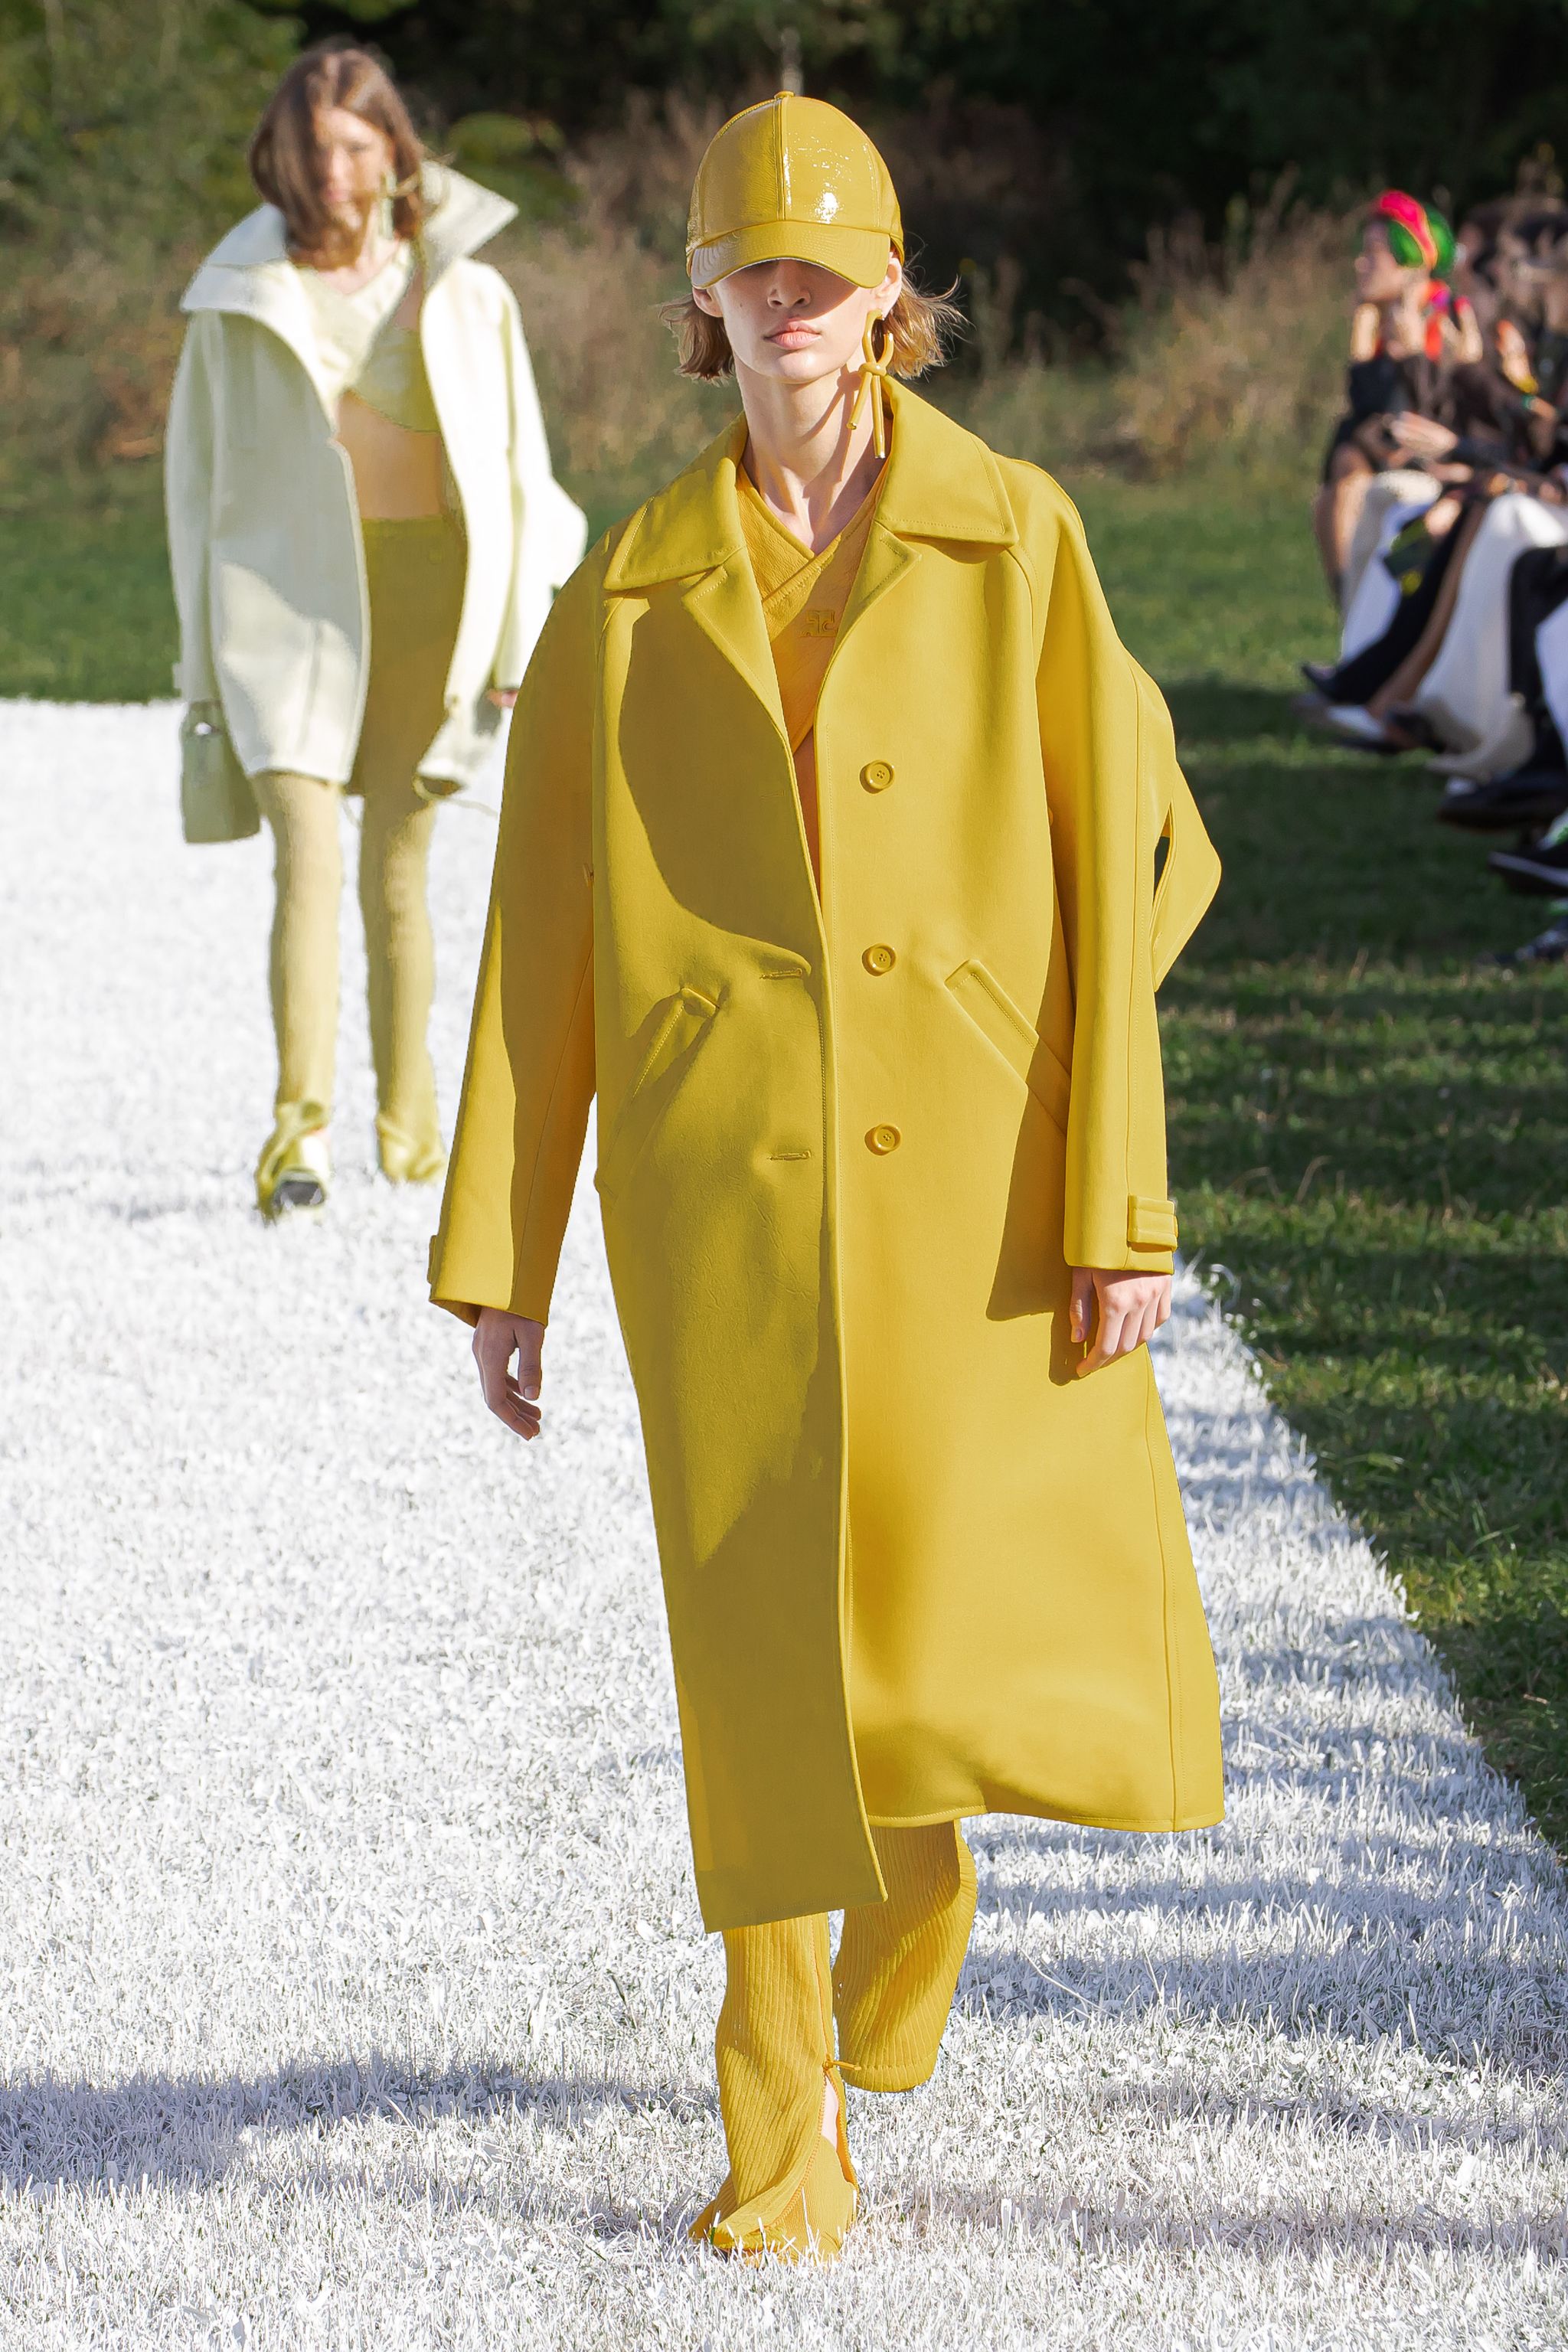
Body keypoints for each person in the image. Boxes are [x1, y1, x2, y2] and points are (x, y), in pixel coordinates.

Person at [428, 93, 1224, 2262]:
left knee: (929, 1627)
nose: (787, 303)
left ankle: (927, 1874)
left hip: (977, 1178)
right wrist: (508, 1255)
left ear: (895, 294)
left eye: (826, 267)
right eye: (745, 268)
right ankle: (777, 2125)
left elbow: (1133, 861)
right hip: (726, 1194)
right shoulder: (626, 590)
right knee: (763, 1648)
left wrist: (1113, 1198)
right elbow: (547, 937)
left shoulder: (1023, 537)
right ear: (698, 299)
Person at [165, 41, 586, 1219]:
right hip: (280, 608)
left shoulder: (466, 290)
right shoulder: (233, 294)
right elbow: (193, 488)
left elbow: (520, 478)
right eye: (312, 149)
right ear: (281, 157)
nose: (333, 170)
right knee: (304, 855)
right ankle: (299, 1139)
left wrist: (514, 646)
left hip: (430, 606)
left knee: (398, 878)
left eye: (354, 146)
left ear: (396, 148)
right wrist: (199, 664)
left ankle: (411, 1143)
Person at [1313, 192, 1481, 603]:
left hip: (1443, 456)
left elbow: (1450, 405)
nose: (1360, 263)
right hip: (1386, 450)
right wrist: (1362, 325)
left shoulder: (1448, 314)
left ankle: (1355, 616)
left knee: (1347, 476)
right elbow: (1363, 406)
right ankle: (1351, 614)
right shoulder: (1379, 316)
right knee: (1333, 488)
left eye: (1375, 254)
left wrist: (1410, 353)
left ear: (1413, 261)